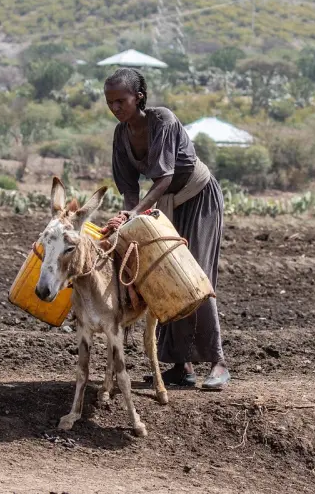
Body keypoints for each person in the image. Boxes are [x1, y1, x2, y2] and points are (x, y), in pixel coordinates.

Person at [99, 67, 230, 390]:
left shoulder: (163, 121)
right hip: (164, 203)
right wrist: (129, 216)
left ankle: (218, 362)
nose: (115, 108)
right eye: (110, 102)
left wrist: (135, 212)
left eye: (121, 101)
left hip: (197, 197)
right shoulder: (121, 135)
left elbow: (164, 178)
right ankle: (181, 365)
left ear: (139, 97)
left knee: (194, 275)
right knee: (160, 272)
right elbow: (129, 187)